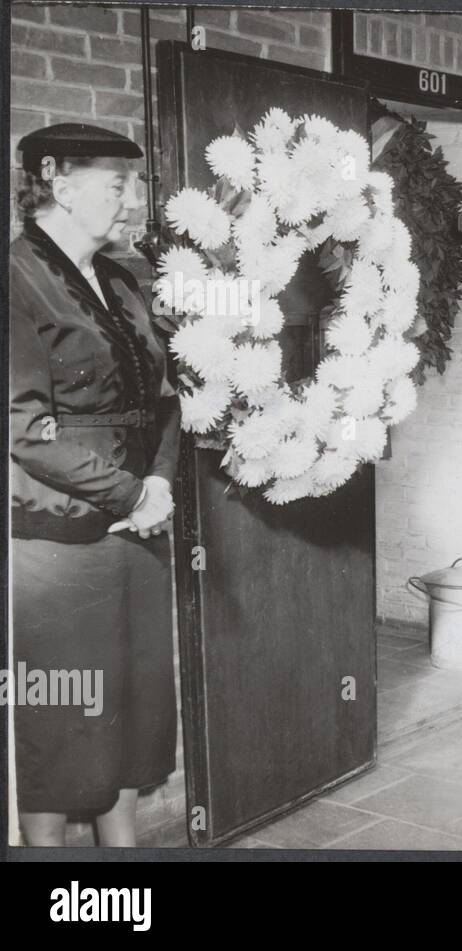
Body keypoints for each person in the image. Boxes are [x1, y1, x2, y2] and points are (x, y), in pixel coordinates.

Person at [10, 124, 181, 846]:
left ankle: (124, 857)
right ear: (58, 180)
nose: (130, 198)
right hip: (61, 544)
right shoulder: (14, 279)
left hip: (138, 533)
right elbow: (24, 430)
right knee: (63, 724)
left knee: (131, 710)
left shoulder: (121, 280)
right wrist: (132, 495)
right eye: (117, 182)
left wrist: (161, 484)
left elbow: (167, 396)